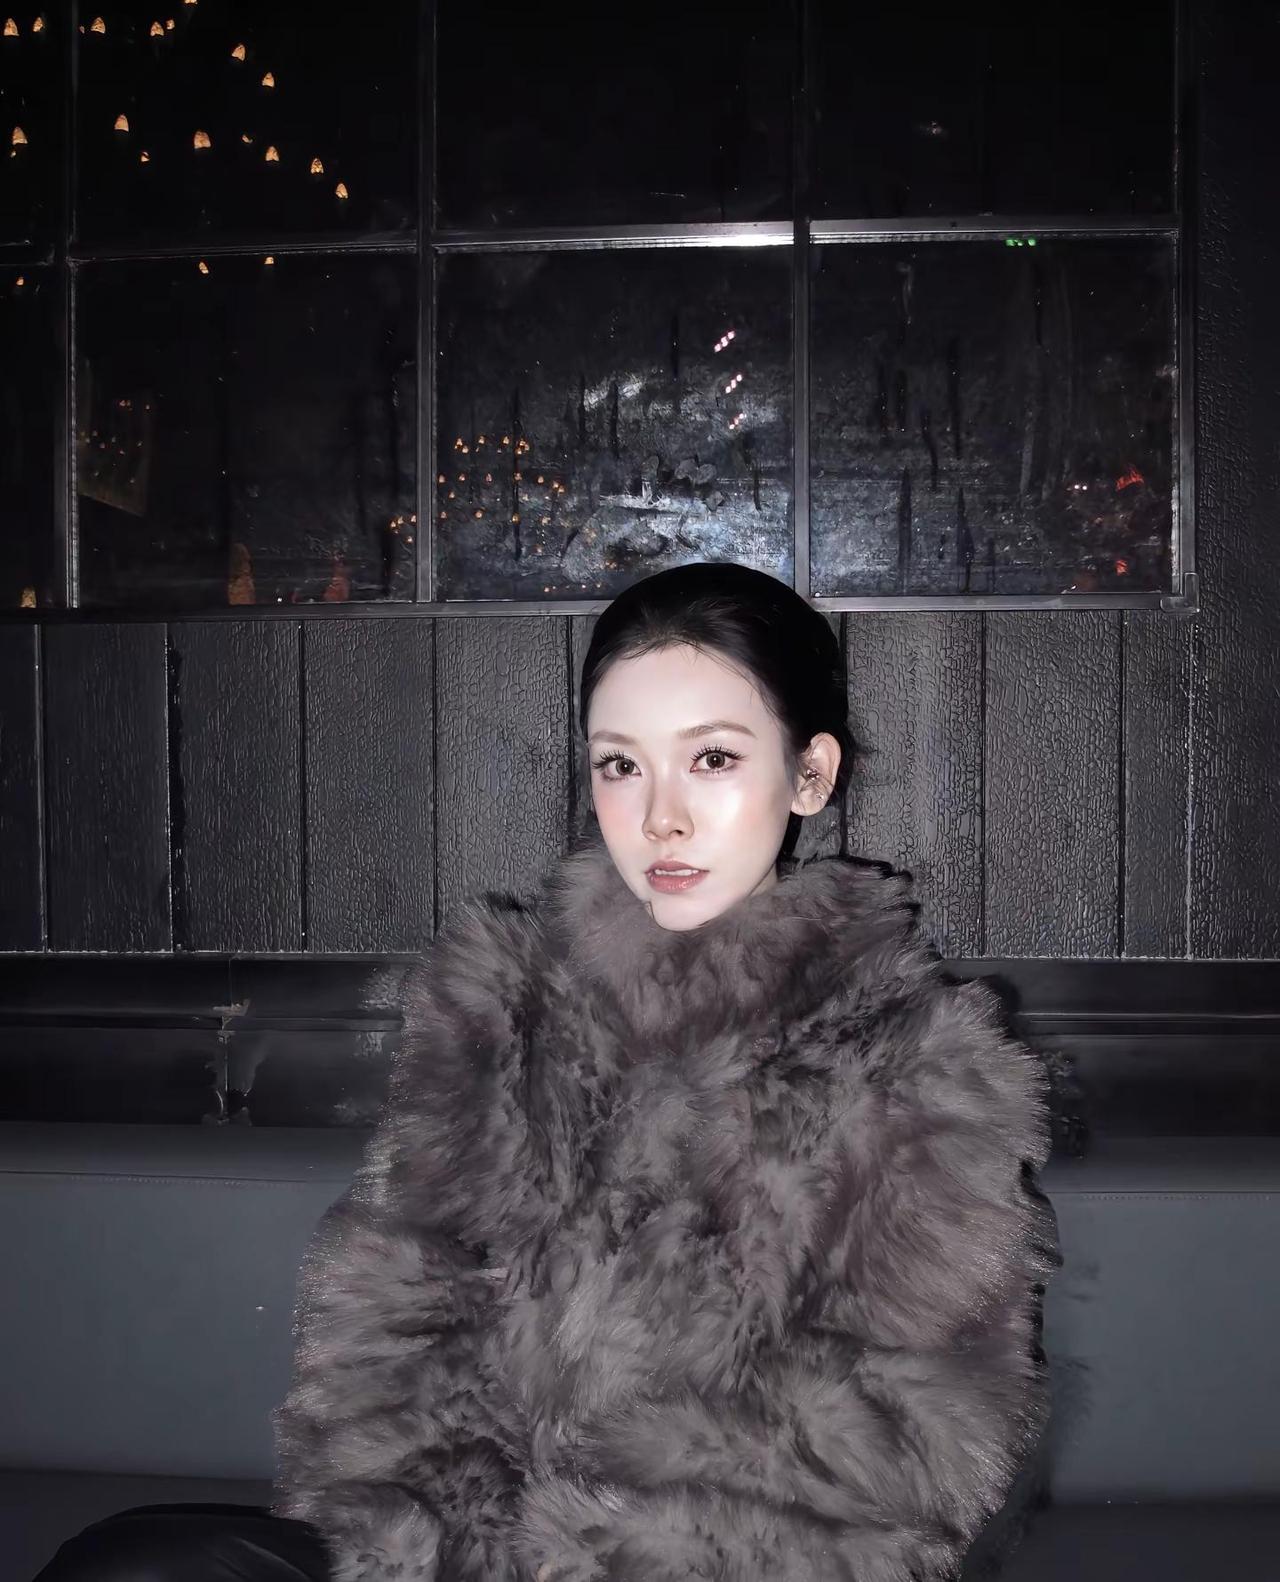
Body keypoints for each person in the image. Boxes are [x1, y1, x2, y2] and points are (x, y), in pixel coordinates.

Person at [33, 560, 1061, 1582]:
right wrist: (432, 1542)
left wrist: (602, 1556)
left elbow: (901, 1426)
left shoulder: (915, 1065)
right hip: (462, 1550)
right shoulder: (505, 1007)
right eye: (620, 765)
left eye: (711, 759)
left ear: (810, 775)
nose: (659, 817)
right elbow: (403, 1318)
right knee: (134, 1567)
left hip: (719, 1564)